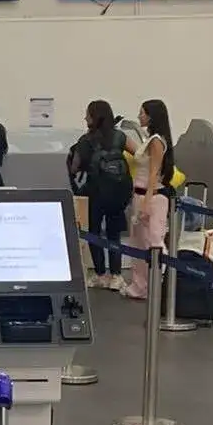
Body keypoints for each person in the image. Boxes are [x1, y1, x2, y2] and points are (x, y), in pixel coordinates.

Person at [69, 99, 135, 291]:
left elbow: (74, 168)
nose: (85, 118)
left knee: (94, 232)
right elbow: (140, 153)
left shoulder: (85, 140)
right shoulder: (120, 136)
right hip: (118, 192)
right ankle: (116, 276)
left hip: (96, 192)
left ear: (94, 117)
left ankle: (100, 274)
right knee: (114, 234)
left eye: (87, 115)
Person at [125, 99, 175, 301]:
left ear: (152, 116)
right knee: (138, 243)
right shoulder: (148, 140)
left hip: (152, 197)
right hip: (140, 195)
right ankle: (140, 286)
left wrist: (146, 201)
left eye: (142, 113)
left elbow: (154, 172)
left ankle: (160, 284)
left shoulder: (156, 141)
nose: (139, 116)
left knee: (154, 242)